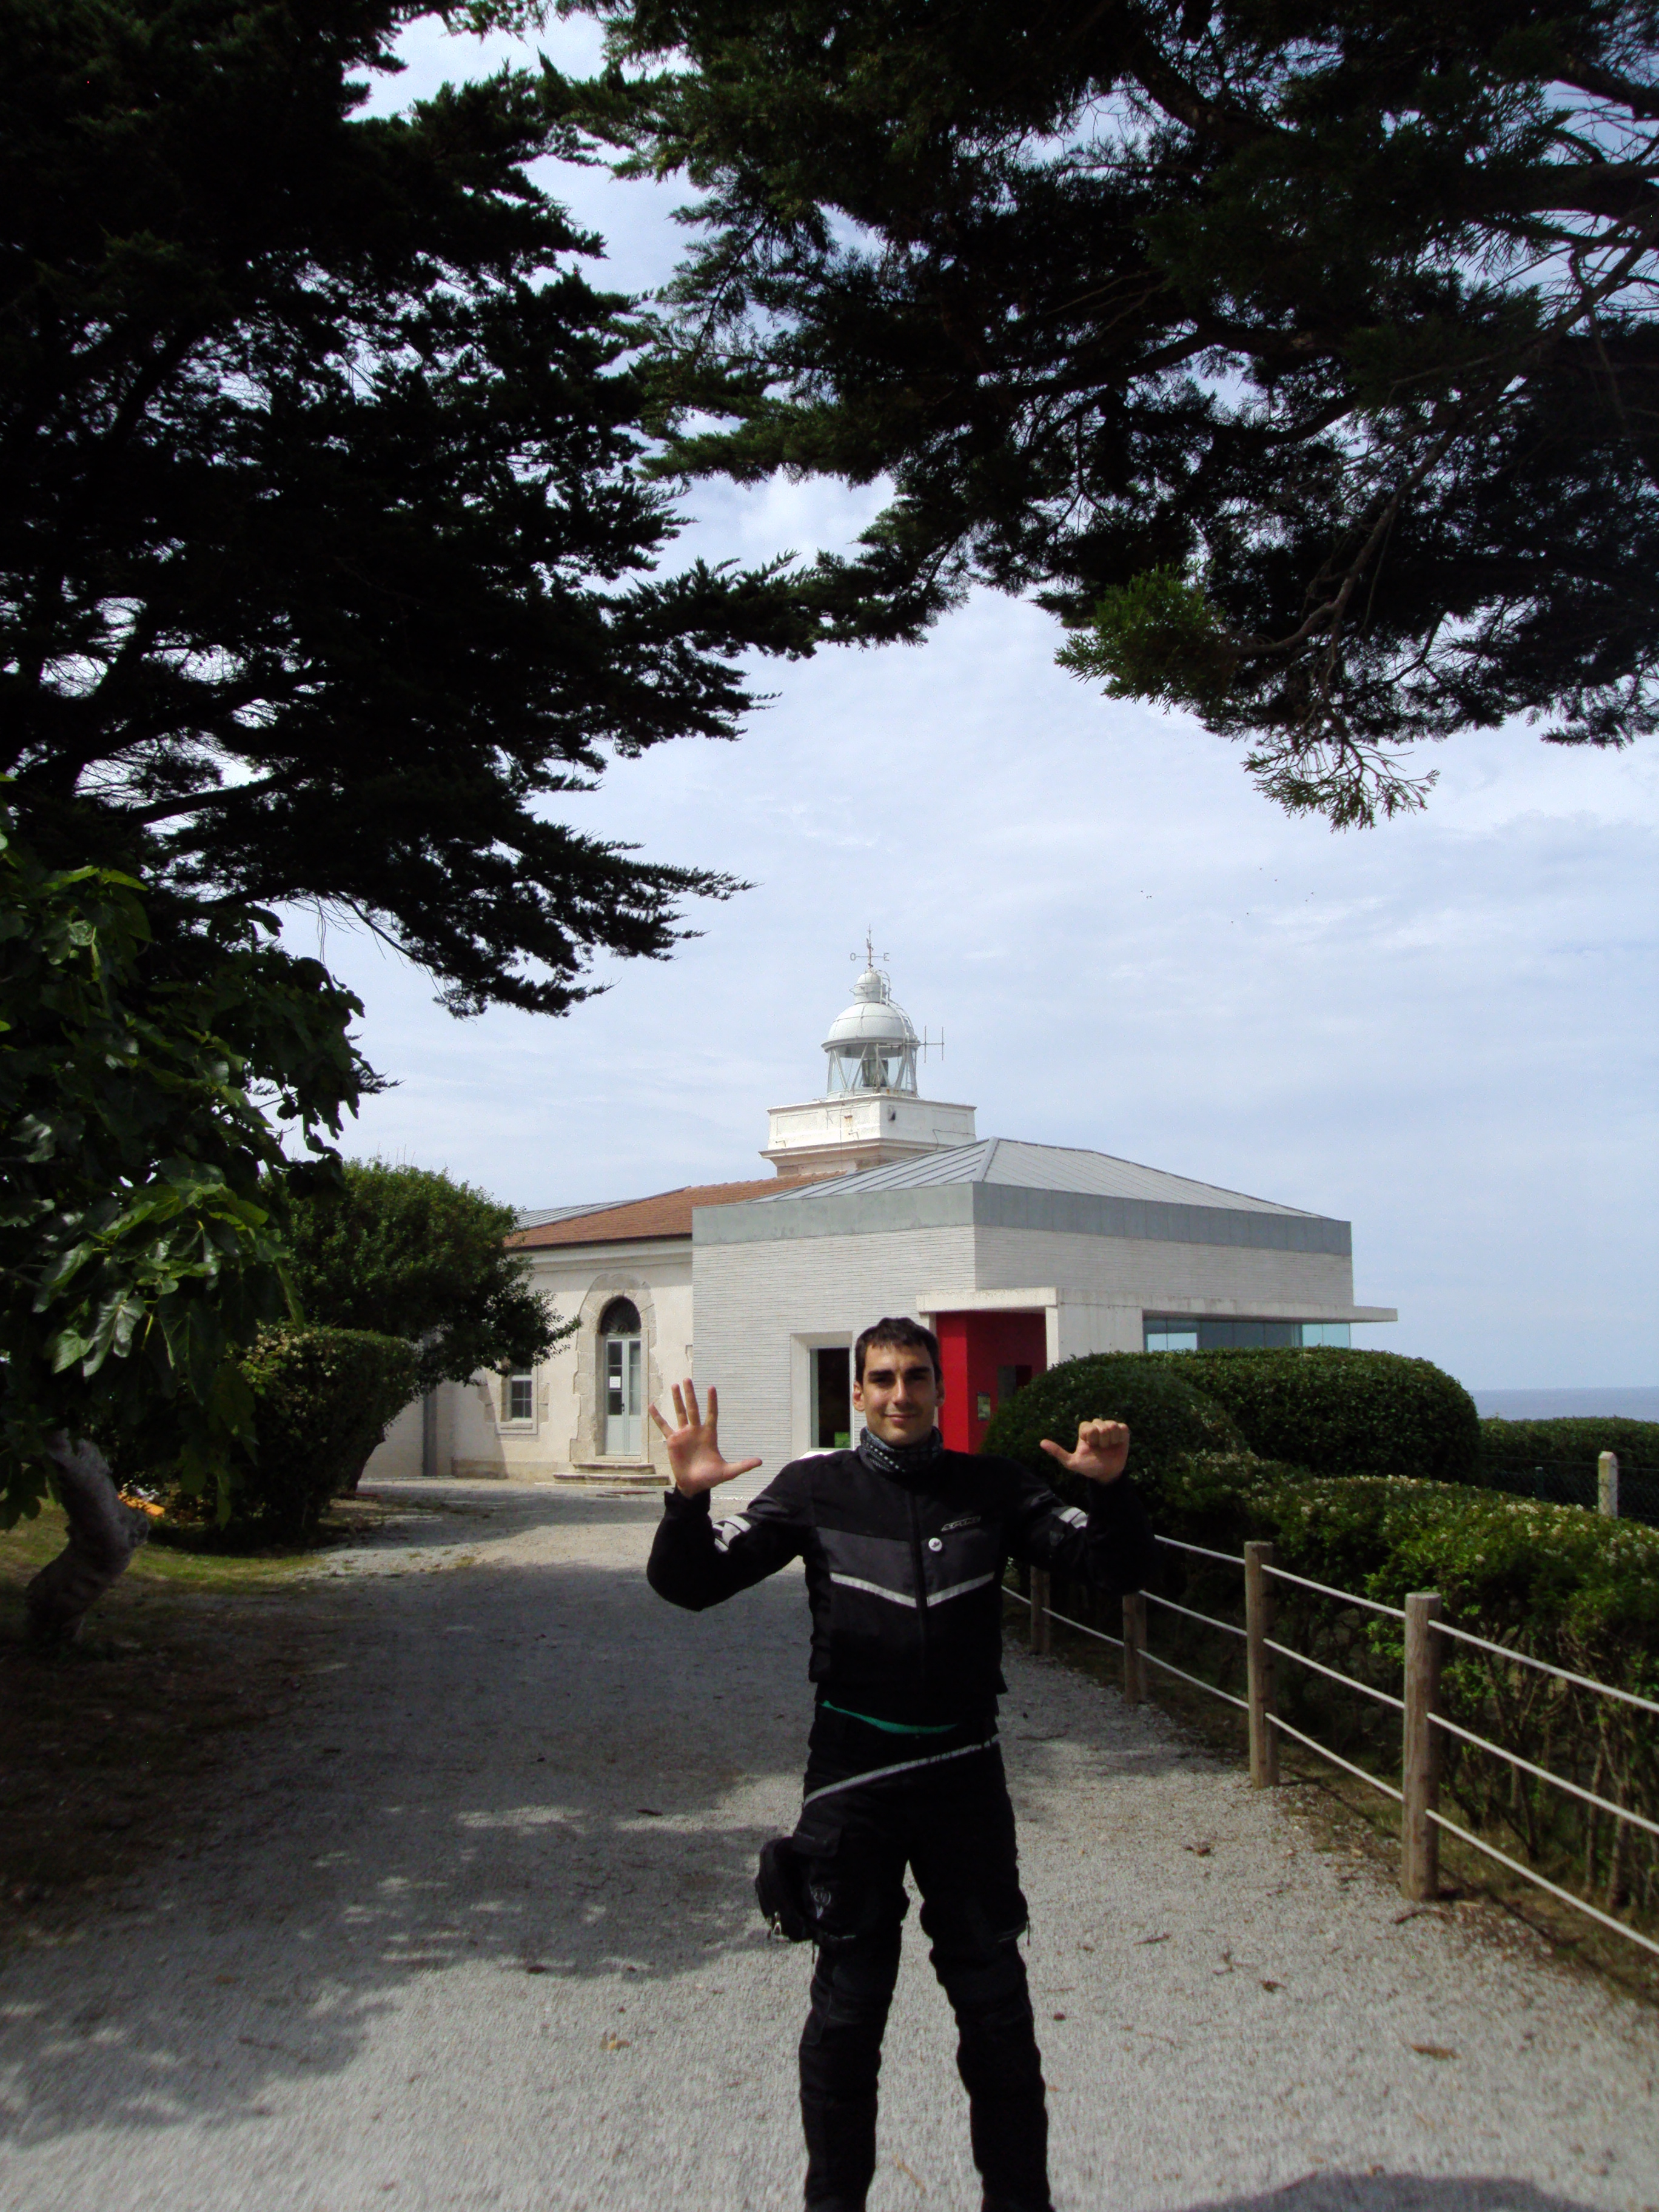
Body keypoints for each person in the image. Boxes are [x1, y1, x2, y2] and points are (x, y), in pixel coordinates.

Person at [646, 1315, 1156, 2212]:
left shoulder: (992, 1486)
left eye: (916, 1377)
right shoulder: (816, 1489)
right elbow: (689, 1586)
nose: (900, 1394)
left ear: (940, 1390)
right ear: (856, 1393)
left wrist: (1110, 1491)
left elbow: (1113, 1570)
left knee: (997, 2014)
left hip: (964, 1771)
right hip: (855, 1775)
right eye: (881, 1379)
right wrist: (687, 1503)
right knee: (847, 2016)